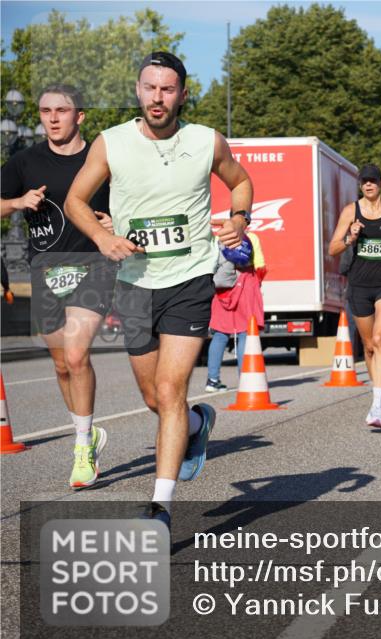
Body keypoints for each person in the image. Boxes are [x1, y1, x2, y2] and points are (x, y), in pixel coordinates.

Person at [65, 52, 253, 527]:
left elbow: (242, 181)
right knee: (154, 398)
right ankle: (197, 423)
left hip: (189, 278)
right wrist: (103, 237)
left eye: (168, 89)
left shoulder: (206, 141)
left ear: (183, 95)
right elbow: (75, 201)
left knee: (171, 389)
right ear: (138, 90)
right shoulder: (112, 143)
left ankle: (161, 507)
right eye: (150, 87)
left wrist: (238, 218)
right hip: (132, 282)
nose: (158, 97)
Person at [1, 83, 116, 489]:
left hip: (93, 264)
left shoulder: (99, 158)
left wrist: (115, 223)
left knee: (77, 353)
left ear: (79, 116)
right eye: (45, 110)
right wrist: (16, 203)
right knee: (62, 364)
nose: (51, 118)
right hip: (45, 267)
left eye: (61, 111)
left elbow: (132, 201)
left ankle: (83, 446)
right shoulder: (24, 161)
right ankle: (89, 432)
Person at [328, 164, 381, 429]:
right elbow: (333, 248)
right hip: (360, 282)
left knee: (379, 338)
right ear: (360, 184)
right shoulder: (350, 211)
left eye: (373, 181)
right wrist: (350, 237)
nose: (368, 185)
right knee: (367, 345)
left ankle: (378, 403)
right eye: (364, 181)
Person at [205, 232, 266, 391]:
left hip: (223, 287)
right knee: (245, 332)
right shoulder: (251, 237)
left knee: (219, 334)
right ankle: (245, 379)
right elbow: (260, 265)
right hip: (246, 284)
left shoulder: (218, 237)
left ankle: (212, 380)